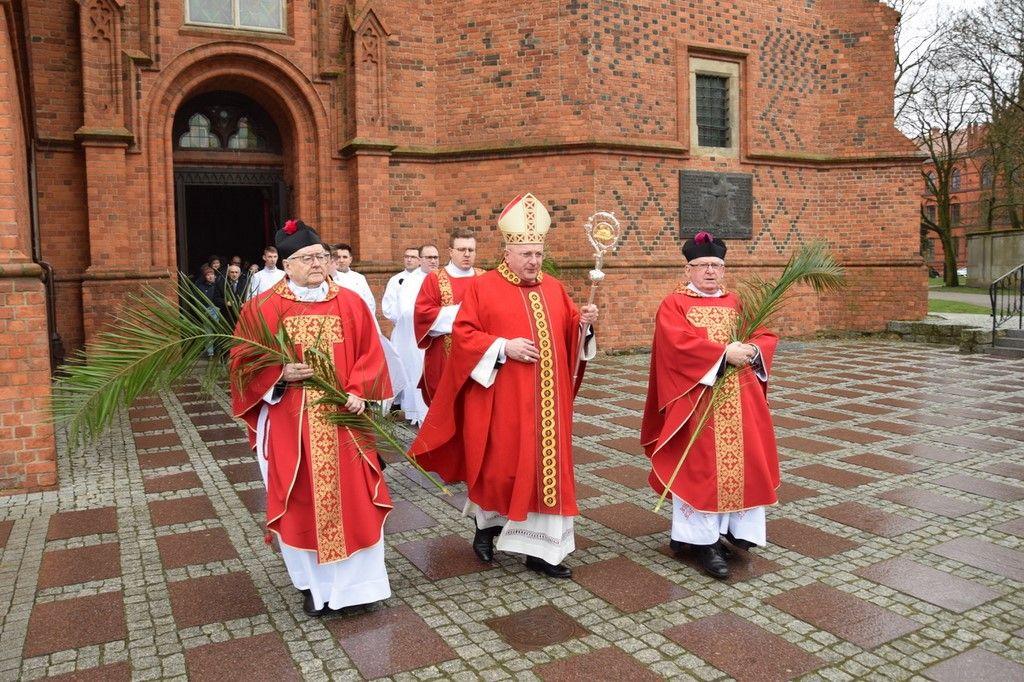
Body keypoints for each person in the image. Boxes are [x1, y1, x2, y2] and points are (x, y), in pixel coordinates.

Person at [409, 193, 598, 578]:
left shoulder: (554, 288)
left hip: (548, 405)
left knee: (545, 471)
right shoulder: (484, 287)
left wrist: (585, 323)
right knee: (500, 469)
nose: (533, 261)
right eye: (526, 253)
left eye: (538, 254)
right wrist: (502, 346)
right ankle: (486, 530)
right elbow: (463, 335)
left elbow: (570, 334)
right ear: (508, 252)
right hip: (501, 400)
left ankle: (540, 552)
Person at [230, 219, 395, 617]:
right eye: (307, 258)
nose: (317, 264)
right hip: (292, 422)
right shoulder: (263, 308)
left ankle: (360, 588)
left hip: (344, 424)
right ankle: (313, 586)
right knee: (302, 499)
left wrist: (359, 390)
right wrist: (278, 374)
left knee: (355, 498)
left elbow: (370, 353)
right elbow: (240, 364)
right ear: (286, 265)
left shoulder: (350, 303)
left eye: (321, 256)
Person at [640, 231, 780, 580]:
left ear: (724, 269)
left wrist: (752, 350)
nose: (710, 272)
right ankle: (701, 541)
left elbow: (763, 333)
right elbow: (675, 345)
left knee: (744, 464)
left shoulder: (738, 301)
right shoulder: (675, 304)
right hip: (696, 402)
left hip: (742, 399)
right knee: (701, 470)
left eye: (716, 265)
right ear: (687, 269)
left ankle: (736, 533)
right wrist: (721, 354)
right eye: (701, 266)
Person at [413, 229, 483, 404]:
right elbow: (423, 314)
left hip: (480, 357)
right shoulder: (435, 279)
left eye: (471, 250)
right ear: (451, 251)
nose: (467, 254)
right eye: (461, 250)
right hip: (444, 357)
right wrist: (464, 312)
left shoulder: (484, 278)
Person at [389, 244, 438, 425]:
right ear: (420, 260)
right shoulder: (411, 281)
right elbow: (407, 311)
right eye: (428, 257)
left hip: (439, 336)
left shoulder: (441, 278)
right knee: (418, 373)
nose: (433, 261)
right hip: (416, 338)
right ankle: (421, 414)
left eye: (435, 257)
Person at [381, 247, 421, 409]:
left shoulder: (426, 278)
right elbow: (388, 306)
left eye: (413, 257)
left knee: (417, 366)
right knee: (402, 365)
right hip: (402, 331)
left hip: (419, 330)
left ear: (420, 260)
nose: (409, 260)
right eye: (406, 257)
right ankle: (400, 403)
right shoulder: (395, 280)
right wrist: (403, 319)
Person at [331, 243, 376, 315]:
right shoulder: (330, 277)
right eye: (338, 257)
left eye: (345, 257)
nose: (341, 260)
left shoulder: (359, 278)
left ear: (350, 259)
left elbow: (369, 302)